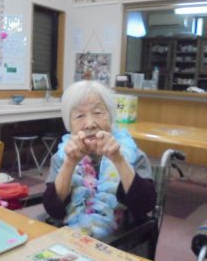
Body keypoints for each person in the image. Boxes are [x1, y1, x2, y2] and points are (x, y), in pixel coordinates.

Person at [43, 80, 156, 239]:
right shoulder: (62, 157)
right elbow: (53, 210)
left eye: (98, 113)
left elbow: (145, 205)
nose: (89, 124)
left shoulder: (132, 154)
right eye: (79, 116)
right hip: (72, 242)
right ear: (70, 124)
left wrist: (119, 160)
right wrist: (69, 163)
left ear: (110, 116)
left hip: (121, 243)